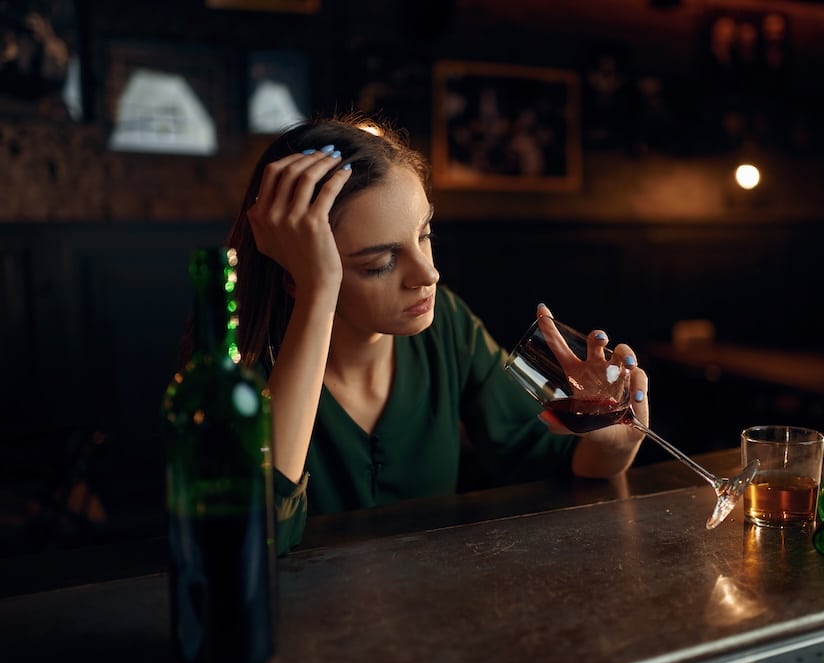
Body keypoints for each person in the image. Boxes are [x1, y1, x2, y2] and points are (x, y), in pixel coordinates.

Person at [221, 113, 650, 555]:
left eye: (424, 234)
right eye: (378, 264)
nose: (428, 273)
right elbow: (255, 536)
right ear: (296, 275)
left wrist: (614, 442)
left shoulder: (444, 322)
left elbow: (549, 457)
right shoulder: (236, 366)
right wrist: (316, 294)